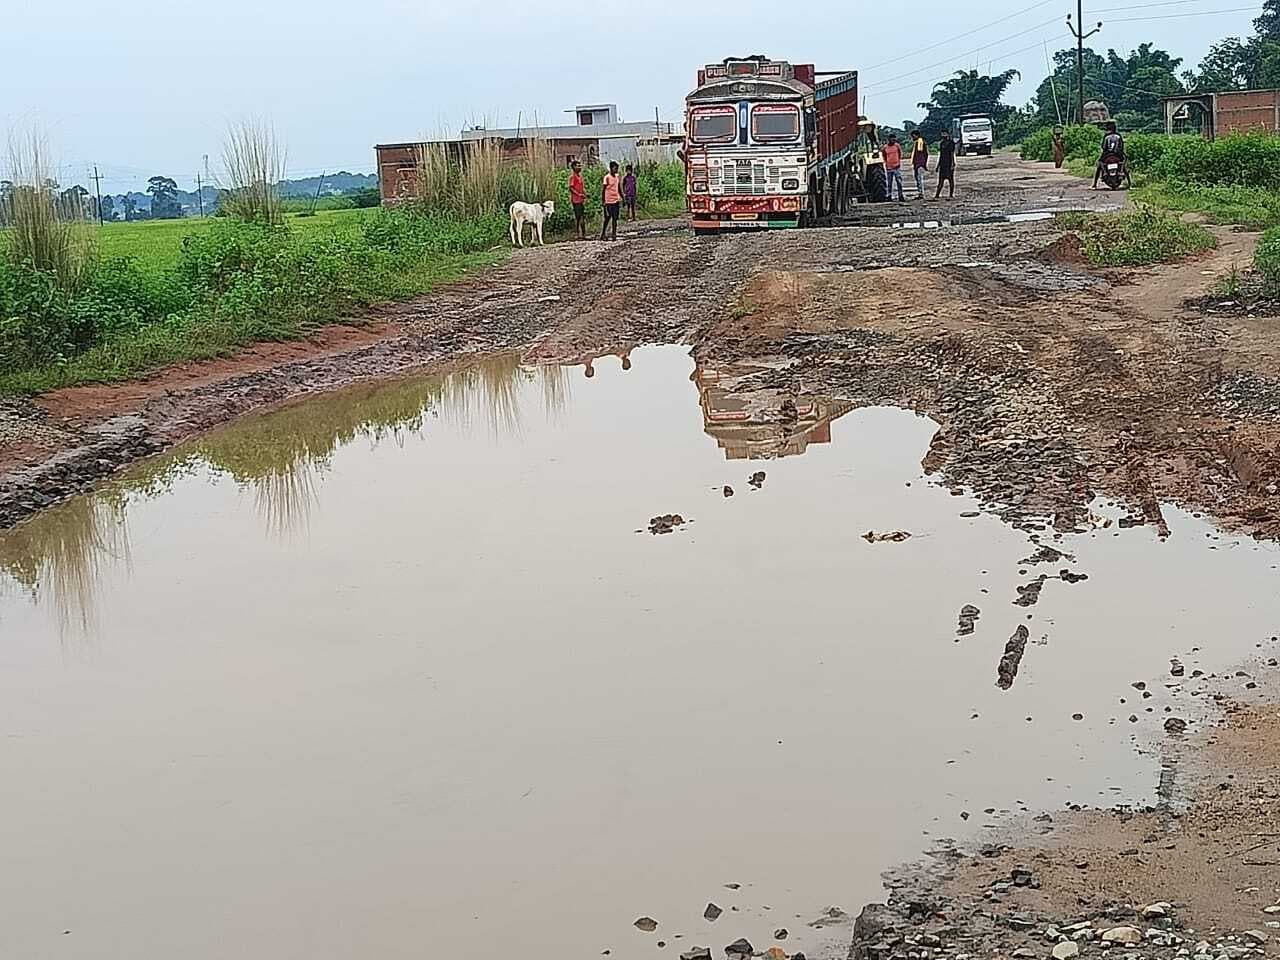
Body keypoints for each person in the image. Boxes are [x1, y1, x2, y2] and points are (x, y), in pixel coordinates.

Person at [1093, 121, 1132, 189]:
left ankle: (1095, 184)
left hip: (1107, 155)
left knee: (1099, 165)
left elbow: (1104, 147)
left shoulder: (1106, 136)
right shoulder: (1118, 136)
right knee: (1124, 166)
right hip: (1117, 155)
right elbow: (1121, 146)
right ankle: (1129, 184)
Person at [601, 161, 622, 240]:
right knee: (607, 217)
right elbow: (603, 190)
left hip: (616, 200)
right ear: (611, 168)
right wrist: (603, 201)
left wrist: (622, 197)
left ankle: (614, 234)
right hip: (608, 201)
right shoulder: (607, 177)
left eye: (617, 168)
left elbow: (618, 187)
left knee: (615, 218)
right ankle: (603, 233)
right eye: (615, 168)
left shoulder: (617, 177)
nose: (616, 170)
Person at [934, 129, 956, 199]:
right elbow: (940, 155)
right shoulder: (941, 143)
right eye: (942, 134)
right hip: (942, 164)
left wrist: (953, 164)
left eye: (944, 133)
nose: (943, 135)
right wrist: (938, 165)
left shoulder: (951, 143)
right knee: (940, 180)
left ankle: (951, 194)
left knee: (951, 180)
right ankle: (937, 194)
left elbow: (952, 154)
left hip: (949, 163)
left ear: (948, 134)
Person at [883, 135, 905, 202]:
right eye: (892, 139)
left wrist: (898, 162)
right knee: (889, 183)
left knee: (899, 182)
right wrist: (887, 163)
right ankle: (889, 196)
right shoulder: (885, 147)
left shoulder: (897, 146)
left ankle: (900, 196)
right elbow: (884, 156)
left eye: (894, 139)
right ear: (889, 139)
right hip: (889, 167)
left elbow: (900, 154)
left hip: (896, 167)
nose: (893, 140)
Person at [569, 161, 587, 239]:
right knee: (578, 217)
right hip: (576, 200)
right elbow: (571, 188)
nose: (580, 167)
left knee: (582, 216)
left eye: (580, 165)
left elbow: (582, 188)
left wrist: (585, 194)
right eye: (578, 166)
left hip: (581, 200)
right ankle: (578, 233)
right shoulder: (573, 177)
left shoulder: (580, 177)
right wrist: (578, 194)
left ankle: (583, 234)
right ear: (574, 167)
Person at [911, 130, 929, 200]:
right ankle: (920, 193)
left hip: (919, 164)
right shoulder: (918, 142)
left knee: (919, 179)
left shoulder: (920, 142)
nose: (912, 137)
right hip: (917, 163)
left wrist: (923, 163)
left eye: (913, 136)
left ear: (916, 135)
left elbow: (922, 153)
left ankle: (921, 193)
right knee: (918, 179)